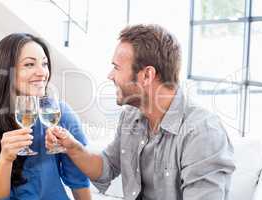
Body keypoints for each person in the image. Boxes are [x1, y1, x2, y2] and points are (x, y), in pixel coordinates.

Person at [46, 24, 236, 200]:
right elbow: (107, 167)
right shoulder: (131, 116)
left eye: (116, 68)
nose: (110, 76)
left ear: (147, 75)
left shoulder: (202, 133)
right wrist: (72, 146)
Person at [0, 33, 91, 200]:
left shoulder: (60, 113)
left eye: (45, 63)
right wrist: (5, 159)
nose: (42, 72)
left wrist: (72, 148)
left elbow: (79, 180)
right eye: (29, 64)